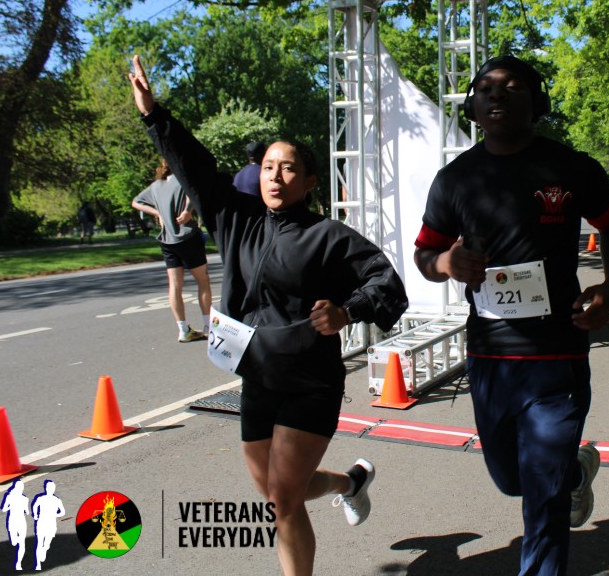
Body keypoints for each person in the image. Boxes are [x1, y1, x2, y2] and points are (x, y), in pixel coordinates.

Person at [129, 55, 408, 576]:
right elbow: (195, 167)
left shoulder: (328, 237)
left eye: (289, 168)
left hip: (309, 383)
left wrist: (347, 311)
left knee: (282, 499)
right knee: (281, 493)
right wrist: (153, 114)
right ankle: (351, 483)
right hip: (257, 378)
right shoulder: (234, 219)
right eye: (268, 167)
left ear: (309, 181)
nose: (275, 176)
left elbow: (387, 283)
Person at [413, 55, 609, 576]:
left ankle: (555, 502)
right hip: (490, 357)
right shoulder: (455, 179)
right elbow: (424, 254)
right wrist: (445, 263)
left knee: (542, 495)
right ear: (473, 106)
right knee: (512, 479)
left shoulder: (571, 167)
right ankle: (574, 474)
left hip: (558, 352)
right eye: (485, 87)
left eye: (512, 86)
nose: (497, 94)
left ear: (537, 102)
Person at [132, 159, 213, 343]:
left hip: (167, 239)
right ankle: (208, 326)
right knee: (202, 281)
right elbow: (194, 192)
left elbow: (136, 202)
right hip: (187, 236)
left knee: (175, 285)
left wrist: (158, 213)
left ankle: (183, 329)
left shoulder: (156, 185)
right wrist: (187, 211)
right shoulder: (183, 178)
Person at [31, 480, 64, 571]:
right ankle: (38, 564)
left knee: (46, 544)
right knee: (39, 543)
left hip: (51, 524)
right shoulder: (41, 498)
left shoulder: (57, 500)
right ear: (46, 488)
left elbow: (62, 512)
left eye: (52, 488)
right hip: (41, 522)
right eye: (49, 488)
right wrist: (35, 514)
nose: (51, 489)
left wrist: (56, 515)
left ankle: (44, 549)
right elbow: (35, 506)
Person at [0, 479, 29, 570]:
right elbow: (27, 512)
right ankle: (19, 549)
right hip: (16, 521)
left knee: (21, 543)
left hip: (17, 521)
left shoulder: (13, 497)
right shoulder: (22, 498)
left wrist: (10, 507)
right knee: (15, 542)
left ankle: (18, 563)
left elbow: (4, 509)